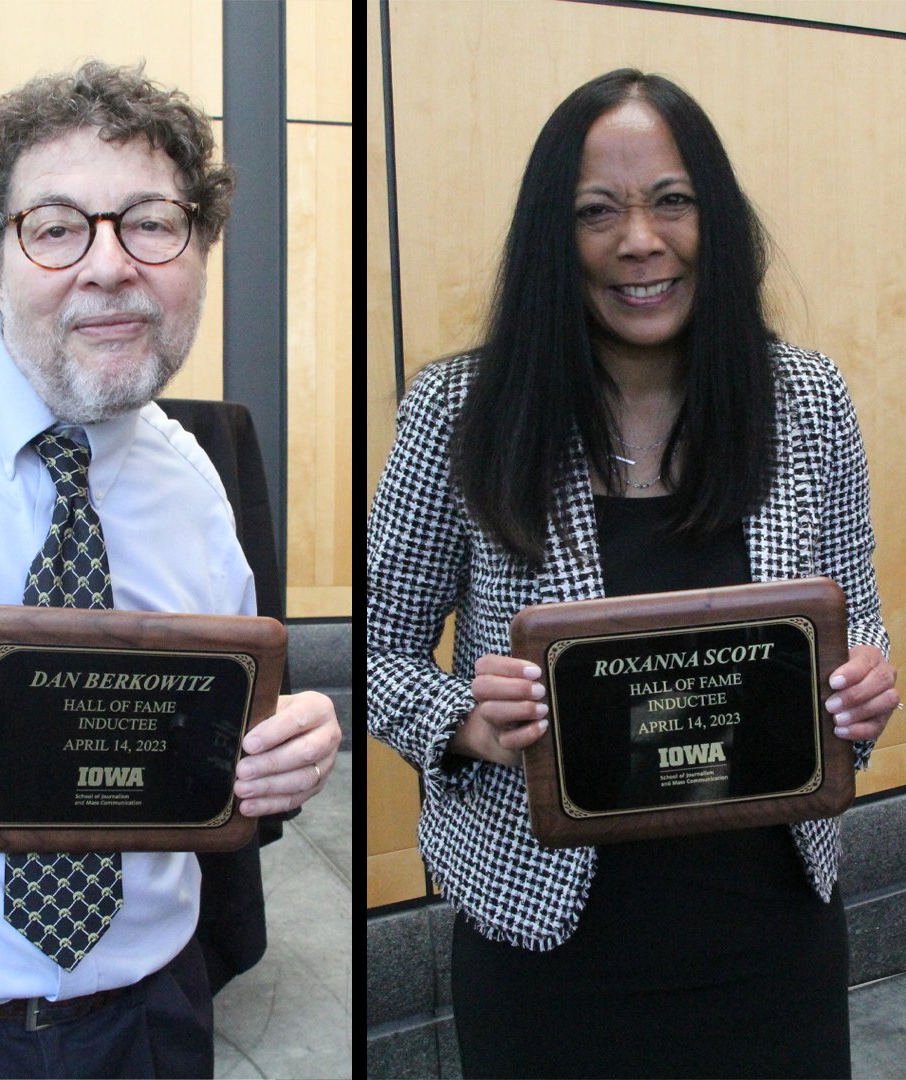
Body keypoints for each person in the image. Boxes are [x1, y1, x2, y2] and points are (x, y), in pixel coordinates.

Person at [367, 68, 898, 1079]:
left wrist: (865, 685)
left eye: (672, 200)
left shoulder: (809, 399)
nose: (639, 241)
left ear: (716, 219)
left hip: (773, 931)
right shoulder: (461, 413)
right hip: (548, 945)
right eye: (595, 212)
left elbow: (854, 614)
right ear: (550, 239)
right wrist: (466, 724)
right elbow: (377, 646)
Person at [0, 61, 341, 1078]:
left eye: (152, 223)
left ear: (198, 250)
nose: (109, 265)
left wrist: (285, 749)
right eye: (57, 227)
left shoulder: (196, 482)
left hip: (145, 1029)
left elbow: (221, 734)